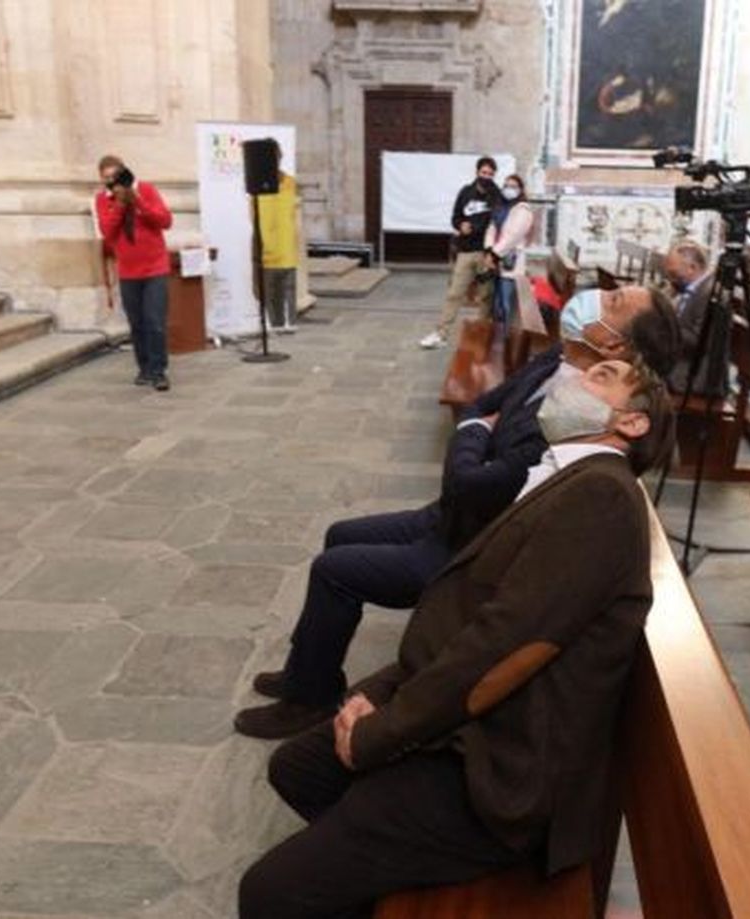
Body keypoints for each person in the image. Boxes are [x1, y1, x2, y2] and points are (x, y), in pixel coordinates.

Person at [237, 358, 676, 919]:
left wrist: (381, 733)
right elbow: (473, 618)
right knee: (297, 766)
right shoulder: (573, 477)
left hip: (497, 768)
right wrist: (381, 696)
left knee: (271, 893)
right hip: (467, 717)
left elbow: (505, 648)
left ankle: (365, 856)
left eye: (601, 375)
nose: (574, 376)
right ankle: (367, 866)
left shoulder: (602, 497)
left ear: (631, 423)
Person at [234, 284, 680, 739]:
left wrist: (475, 433)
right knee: (340, 534)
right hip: (450, 516)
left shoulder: (579, 419)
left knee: (333, 570)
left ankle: (308, 703)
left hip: (467, 548)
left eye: (613, 301)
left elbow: (470, 481)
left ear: (615, 344)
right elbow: (482, 404)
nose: (597, 293)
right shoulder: (561, 359)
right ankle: (310, 675)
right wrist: (479, 428)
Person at [95, 154, 174, 391]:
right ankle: (145, 368)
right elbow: (107, 231)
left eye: (115, 176)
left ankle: (159, 371)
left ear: (125, 173)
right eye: (106, 178)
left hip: (155, 267)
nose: (111, 182)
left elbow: (165, 221)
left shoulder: (146, 190)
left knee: (155, 321)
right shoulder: (103, 200)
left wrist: (137, 201)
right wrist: (119, 203)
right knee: (137, 323)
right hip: (128, 271)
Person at [420, 157, 500, 349]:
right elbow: (455, 217)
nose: (486, 176)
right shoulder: (466, 192)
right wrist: (460, 224)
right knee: (455, 293)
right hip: (465, 252)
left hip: (486, 254)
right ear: (477, 172)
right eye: (484, 173)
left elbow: (497, 223)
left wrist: (489, 248)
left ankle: (482, 334)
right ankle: (441, 334)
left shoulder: (496, 196)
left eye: (490, 174)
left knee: (485, 297)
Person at [661, 240, 721, 394]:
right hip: (682, 361)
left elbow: (699, 341)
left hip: (695, 374)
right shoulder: (690, 288)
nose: (670, 279)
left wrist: (662, 322)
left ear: (692, 268)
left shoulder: (710, 294)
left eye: (673, 274)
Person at [258, 141, 301, 333]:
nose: (273, 161)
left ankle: (291, 324)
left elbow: (296, 213)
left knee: (289, 290)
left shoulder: (291, 183)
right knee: (271, 293)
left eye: (276, 156)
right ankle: (275, 326)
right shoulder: (256, 185)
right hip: (267, 250)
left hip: (287, 249)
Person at [482, 174, 535, 329]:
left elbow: (513, 236)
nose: (508, 189)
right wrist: (488, 248)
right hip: (496, 258)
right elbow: (492, 227)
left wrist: (493, 255)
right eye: (506, 186)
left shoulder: (523, 210)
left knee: (507, 303)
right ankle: (499, 337)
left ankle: (508, 339)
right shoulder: (500, 206)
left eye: (513, 186)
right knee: (496, 302)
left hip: (510, 260)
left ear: (520, 190)